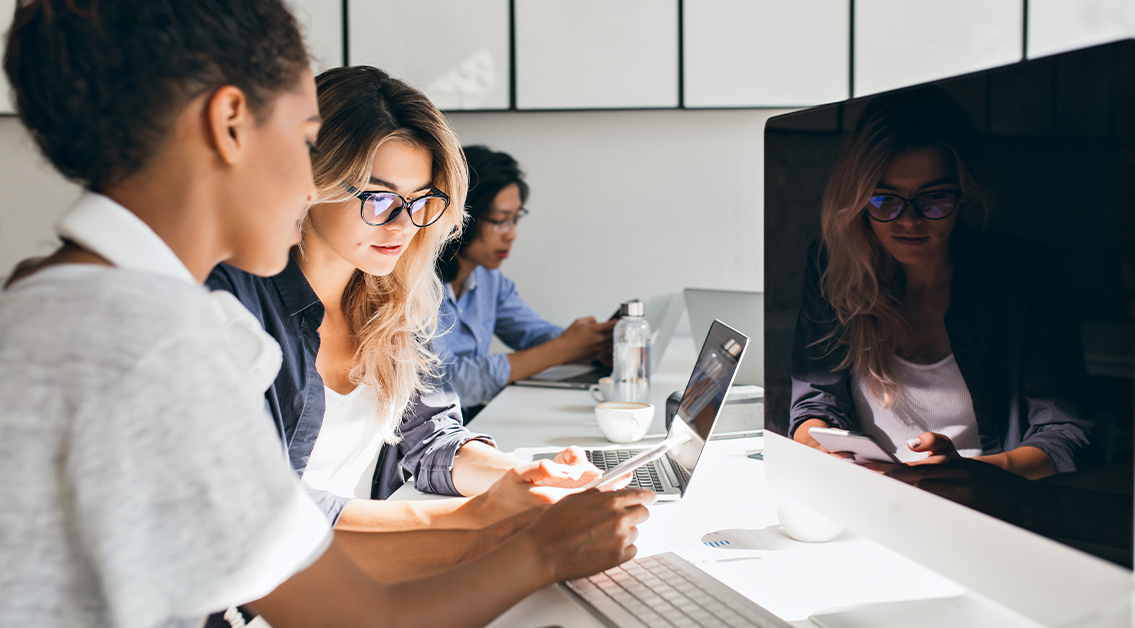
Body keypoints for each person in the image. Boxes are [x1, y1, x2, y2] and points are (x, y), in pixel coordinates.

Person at [0, 2, 652, 627]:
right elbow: (358, 617)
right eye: (307, 140)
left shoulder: (63, 300)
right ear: (231, 121)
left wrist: (509, 525)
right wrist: (539, 548)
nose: (312, 185)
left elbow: (276, 570)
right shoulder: (153, 339)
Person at [206, 66, 609, 547]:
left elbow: (433, 440)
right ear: (312, 181)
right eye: (379, 199)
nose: (403, 225)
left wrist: (525, 476)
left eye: (422, 201)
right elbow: (268, 506)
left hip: (356, 564)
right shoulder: (236, 305)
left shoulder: (402, 303)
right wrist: (472, 516)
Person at [789, 88, 1092, 480]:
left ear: (964, 192)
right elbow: (813, 405)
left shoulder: (1023, 275)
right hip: (868, 501)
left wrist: (968, 473)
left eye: (933, 199)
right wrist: (828, 451)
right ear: (859, 199)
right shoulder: (833, 267)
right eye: (885, 200)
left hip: (985, 509)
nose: (910, 221)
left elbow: (1066, 435)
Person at [435, 146, 615, 413]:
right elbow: (447, 384)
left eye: (515, 219)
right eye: (500, 220)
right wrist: (563, 349)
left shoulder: (489, 280)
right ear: (460, 217)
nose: (511, 235)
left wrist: (594, 344)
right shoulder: (414, 286)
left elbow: (533, 335)